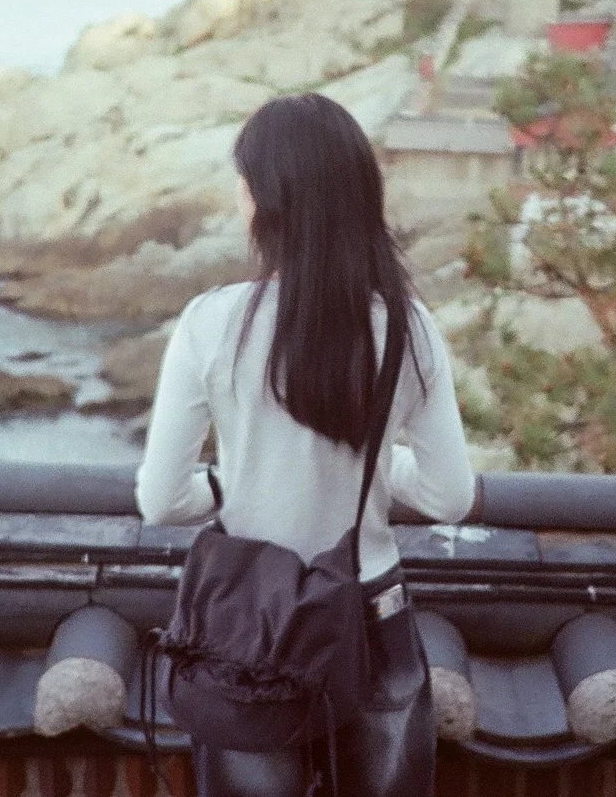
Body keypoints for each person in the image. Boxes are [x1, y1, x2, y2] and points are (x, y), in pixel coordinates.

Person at [137, 93, 476, 797]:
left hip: (250, 632)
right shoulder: (410, 330)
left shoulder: (212, 322)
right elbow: (450, 496)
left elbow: (161, 500)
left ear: (264, 199)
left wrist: (231, 481)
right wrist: (377, 467)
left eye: (243, 182)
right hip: (371, 618)